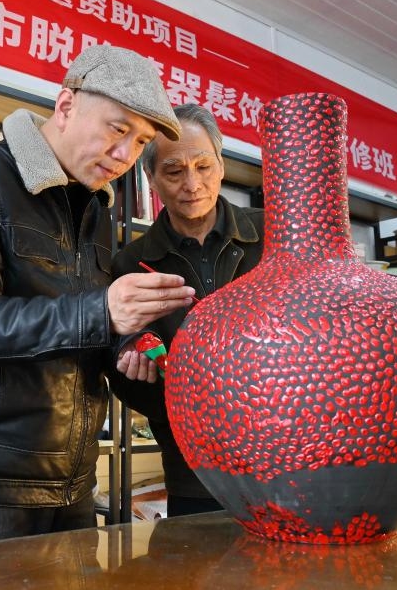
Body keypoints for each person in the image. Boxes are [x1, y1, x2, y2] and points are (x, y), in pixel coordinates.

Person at [0, 45, 198, 545]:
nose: (126, 155)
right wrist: (103, 311)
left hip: (74, 480)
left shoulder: (93, 209)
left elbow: (82, 322)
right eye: (117, 128)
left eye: (141, 141)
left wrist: (127, 344)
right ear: (65, 106)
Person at [110, 103, 265, 517]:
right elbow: (123, 370)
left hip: (288, 464)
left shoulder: (272, 236)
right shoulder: (131, 265)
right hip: (193, 473)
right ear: (152, 179)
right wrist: (134, 362)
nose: (192, 183)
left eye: (203, 166)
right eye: (175, 171)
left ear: (222, 165)